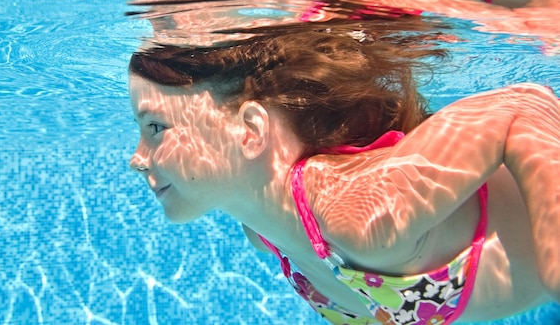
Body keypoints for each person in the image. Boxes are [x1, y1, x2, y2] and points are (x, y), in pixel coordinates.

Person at [127, 30, 560, 325]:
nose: (137, 158)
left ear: (251, 131)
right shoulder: (265, 233)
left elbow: (523, 105)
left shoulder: (361, 214)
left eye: (155, 128)